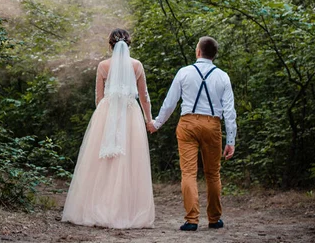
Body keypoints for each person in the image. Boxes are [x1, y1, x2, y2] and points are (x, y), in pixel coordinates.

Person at [62, 28, 155, 229]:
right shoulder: (137, 66)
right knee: (129, 160)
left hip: (108, 112)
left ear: (110, 45)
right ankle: (126, 210)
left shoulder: (103, 66)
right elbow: (144, 96)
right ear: (128, 44)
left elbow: (98, 97)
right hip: (130, 115)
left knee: (102, 162)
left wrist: (103, 118)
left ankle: (98, 205)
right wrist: (149, 120)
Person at [147, 36, 236, 231]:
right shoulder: (223, 76)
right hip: (212, 125)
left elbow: (170, 103)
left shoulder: (184, 72)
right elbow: (229, 111)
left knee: (188, 172)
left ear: (198, 51)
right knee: (213, 174)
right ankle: (214, 219)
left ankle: (191, 220)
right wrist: (231, 140)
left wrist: (157, 124)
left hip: (187, 124)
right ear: (214, 54)